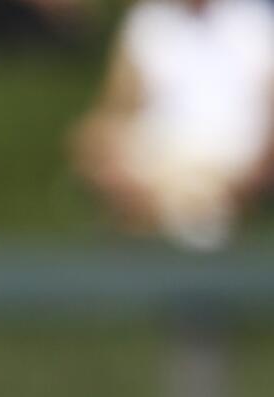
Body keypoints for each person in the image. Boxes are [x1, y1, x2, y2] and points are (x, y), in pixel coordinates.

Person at [72, 0, 274, 250]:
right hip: (159, 153)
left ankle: (174, 216)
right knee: (97, 140)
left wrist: (256, 174)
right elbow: (119, 102)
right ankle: (193, 214)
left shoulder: (255, 20)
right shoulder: (148, 19)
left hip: (233, 156)